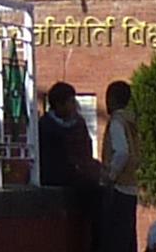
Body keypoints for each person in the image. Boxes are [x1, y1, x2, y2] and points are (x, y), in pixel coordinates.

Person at [38, 81, 107, 249]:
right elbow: (50, 158)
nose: (74, 106)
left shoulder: (79, 123)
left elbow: (86, 149)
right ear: (59, 104)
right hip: (58, 175)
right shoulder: (46, 126)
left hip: (80, 172)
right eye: (70, 101)